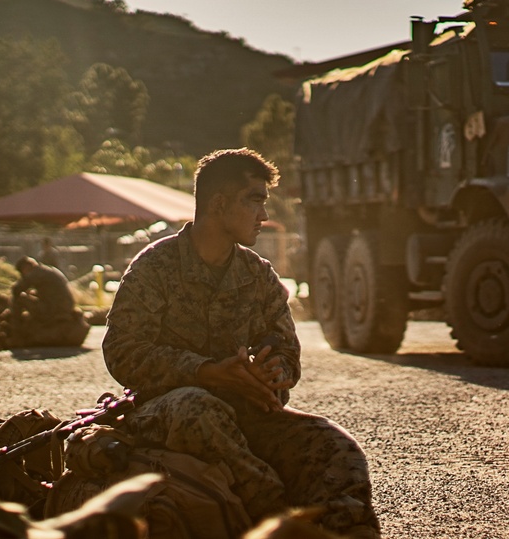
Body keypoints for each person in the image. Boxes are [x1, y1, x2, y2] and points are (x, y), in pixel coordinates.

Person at [102, 148, 380, 538]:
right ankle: (278, 521)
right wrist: (205, 372)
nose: (264, 216)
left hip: (244, 415)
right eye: (254, 201)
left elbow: (286, 350)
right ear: (218, 204)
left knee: (333, 447)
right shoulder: (155, 267)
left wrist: (271, 372)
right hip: (165, 413)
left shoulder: (257, 274)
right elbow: (123, 352)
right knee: (198, 405)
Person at [10, 256, 75, 319]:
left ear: (26, 267)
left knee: (21, 298)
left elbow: (17, 289)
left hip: (55, 308)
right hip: (65, 305)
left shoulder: (36, 273)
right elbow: (50, 292)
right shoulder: (45, 270)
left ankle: (16, 324)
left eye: (21, 272)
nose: (22, 275)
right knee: (30, 295)